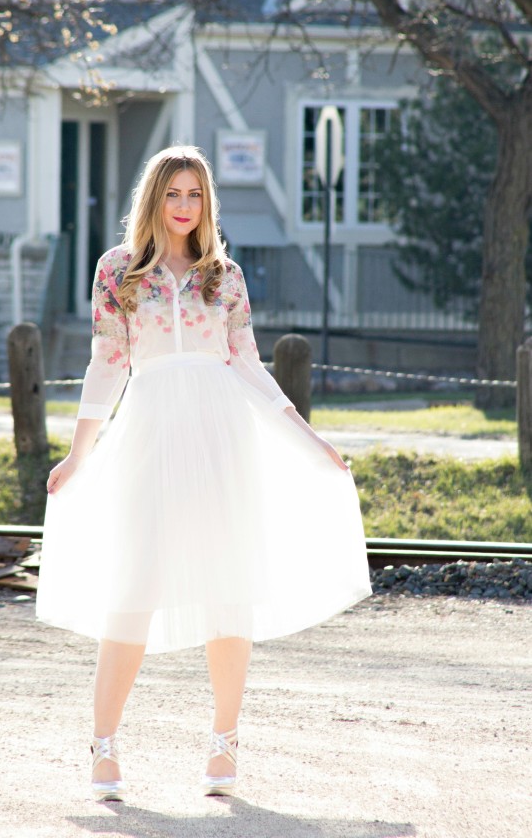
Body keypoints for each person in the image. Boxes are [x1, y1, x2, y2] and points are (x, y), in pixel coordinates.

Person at [36, 145, 371, 801]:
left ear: (206, 202)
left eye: (195, 195)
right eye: (173, 194)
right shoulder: (118, 272)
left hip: (223, 439)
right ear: (153, 199)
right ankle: (103, 748)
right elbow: (106, 364)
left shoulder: (226, 275)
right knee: (131, 589)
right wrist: (79, 451)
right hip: (149, 435)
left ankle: (224, 743)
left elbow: (246, 364)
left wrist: (311, 441)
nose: (185, 206)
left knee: (228, 590)